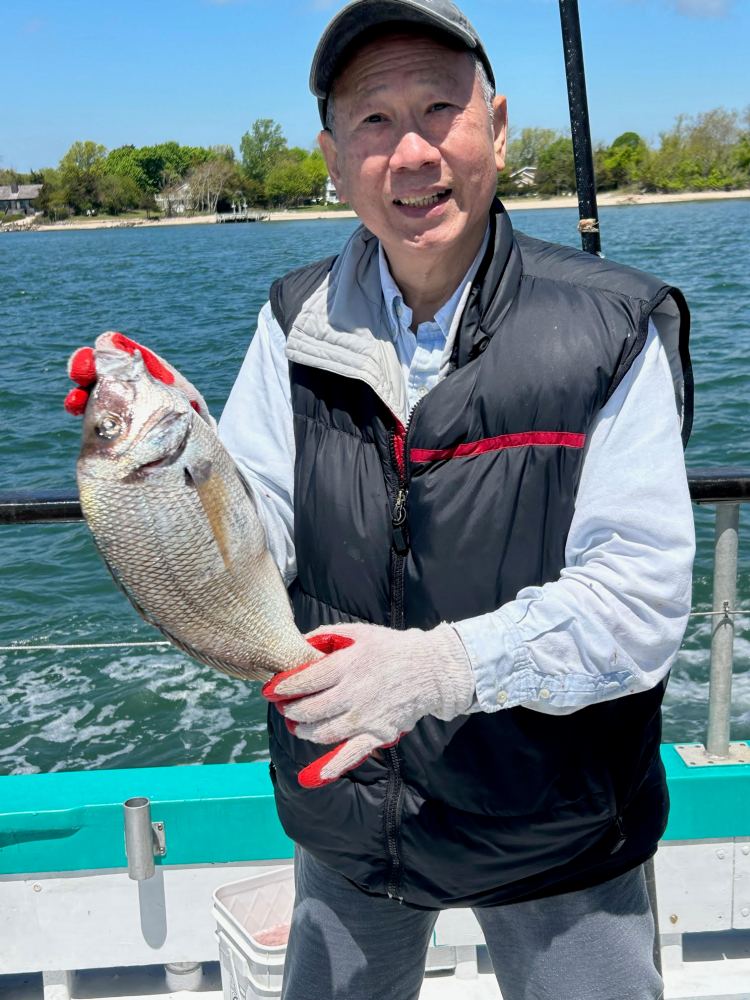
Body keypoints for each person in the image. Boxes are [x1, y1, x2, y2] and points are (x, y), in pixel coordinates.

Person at [66, 2, 695, 996]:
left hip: (560, 822)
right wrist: (184, 440)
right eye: (372, 120)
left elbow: (643, 599)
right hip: (351, 813)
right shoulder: (291, 318)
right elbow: (252, 532)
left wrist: (443, 667)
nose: (410, 153)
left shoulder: (614, 326)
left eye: (440, 107)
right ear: (329, 155)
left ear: (496, 123)